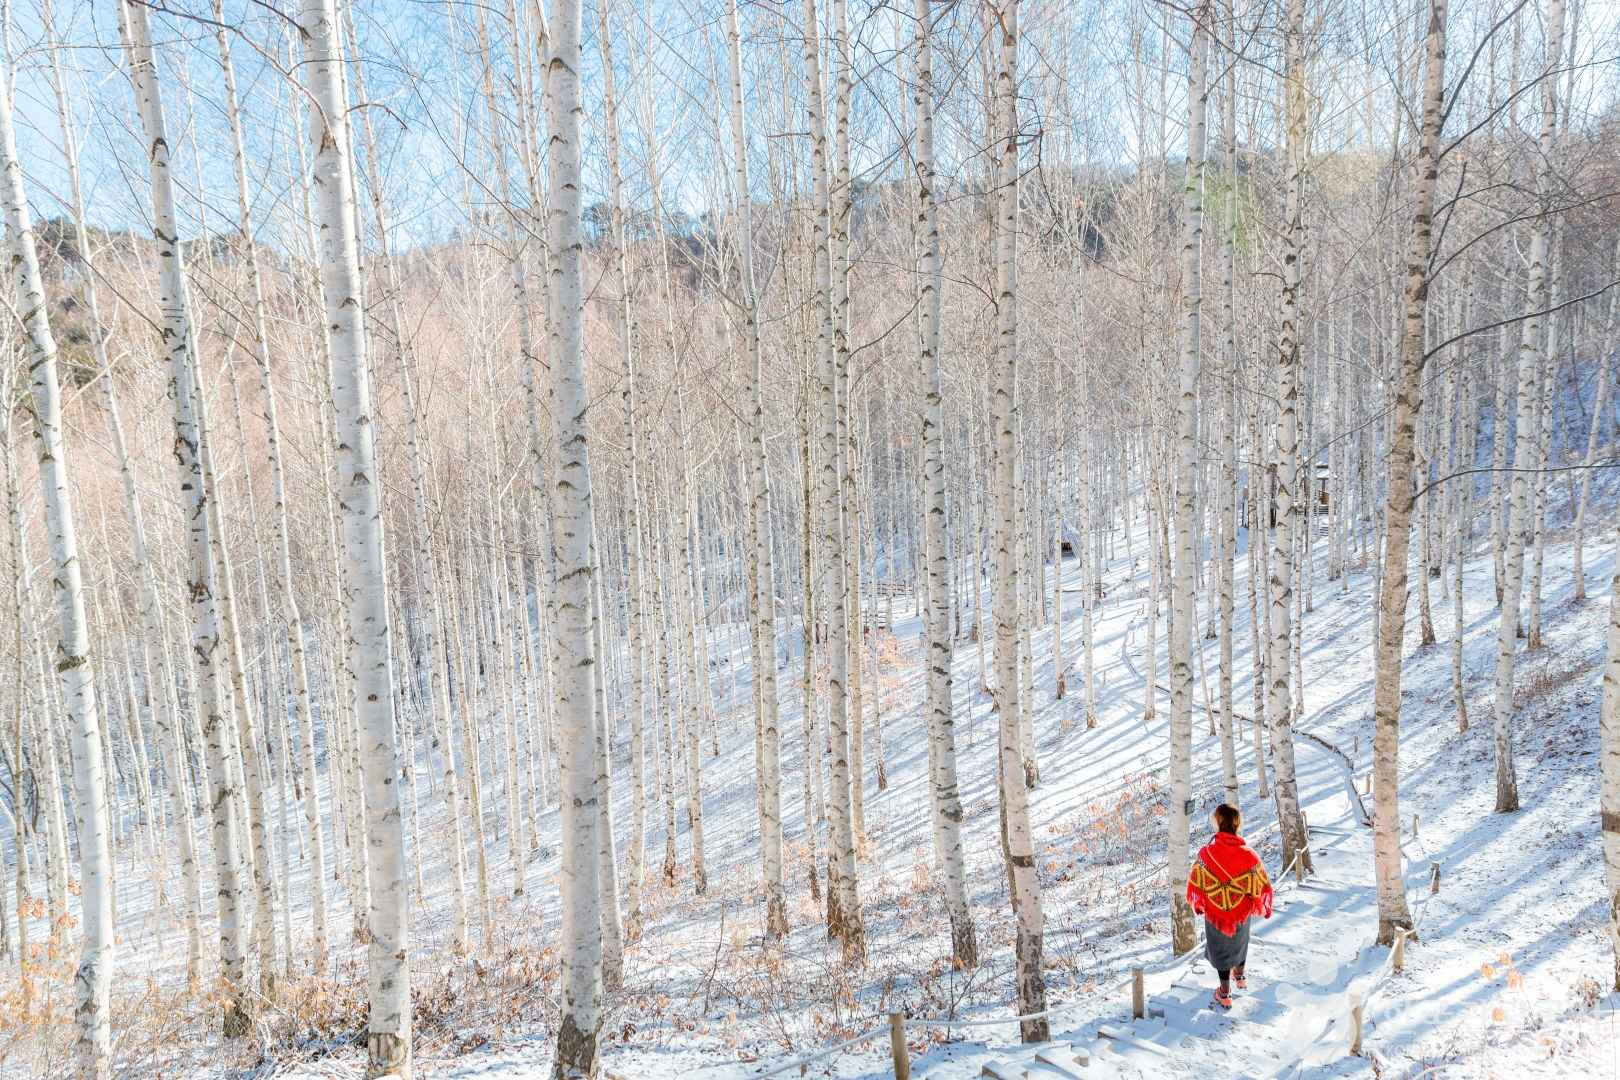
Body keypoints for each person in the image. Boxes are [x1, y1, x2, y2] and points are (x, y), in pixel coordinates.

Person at [1185, 803, 1274, 1009]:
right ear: (1237, 823)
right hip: (1241, 911)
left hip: (1216, 912)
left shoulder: (1206, 853)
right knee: (1240, 942)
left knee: (1221, 950)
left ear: (1218, 822)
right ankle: (1240, 976)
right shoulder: (1249, 854)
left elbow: (1196, 881)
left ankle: (1224, 993)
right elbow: (1261, 883)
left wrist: (1200, 903)